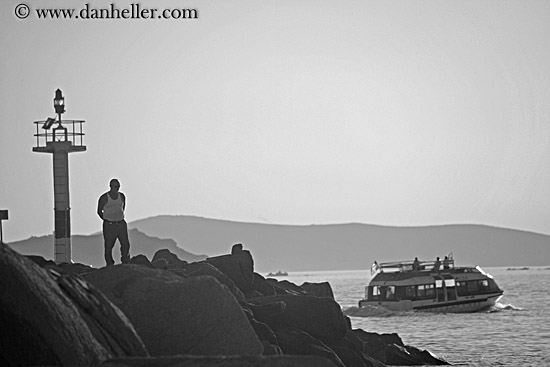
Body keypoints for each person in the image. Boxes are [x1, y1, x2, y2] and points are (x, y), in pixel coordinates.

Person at [97, 178, 130, 266]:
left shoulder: (122, 196)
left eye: (118, 186)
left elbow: (123, 207)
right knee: (109, 246)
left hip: (121, 223)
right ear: (111, 186)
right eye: (115, 186)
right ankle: (110, 264)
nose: (117, 188)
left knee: (125, 243)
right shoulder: (104, 197)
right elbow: (99, 211)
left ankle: (125, 261)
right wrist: (106, 219)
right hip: (109, 225)